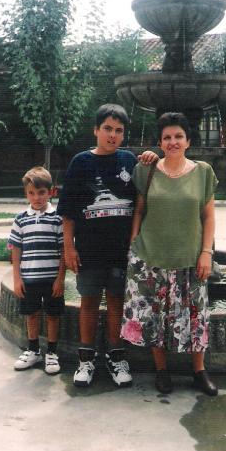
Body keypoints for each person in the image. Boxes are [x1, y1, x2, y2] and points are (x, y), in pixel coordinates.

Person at [57, 104, 158, 388]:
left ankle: (116, 357)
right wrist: (68, 248)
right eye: (107, 129)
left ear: (124, 134)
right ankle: (86, 359)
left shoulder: (128, 160)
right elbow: (68, 212)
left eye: (118, 130)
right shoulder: (81, 162)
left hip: (120, 251)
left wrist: (151, 159)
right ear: (96, 130)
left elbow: (146, 191)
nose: (112, 135)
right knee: (89, 302)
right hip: (89, 250)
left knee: (116, 302)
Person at [120, 112, 218, 396]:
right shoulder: (146, 170)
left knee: (196, 315)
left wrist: (206, 252)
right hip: (151, 256)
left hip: (190, 258)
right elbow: (139, 210)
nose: (172, 142)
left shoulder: (203, 172)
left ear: (188, 141)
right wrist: (134, 243)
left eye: (178, 136)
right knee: (155, 316)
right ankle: (161, 371)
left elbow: (208, 216)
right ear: (160, 142)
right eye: (167, 137)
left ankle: (199, 371)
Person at [9, 166, 65, 375]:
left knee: (52, 315)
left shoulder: (57, 218)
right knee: (31, 314)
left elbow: (63, 250)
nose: (36, 197)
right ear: (26, 194)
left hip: (51, 279)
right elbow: (16, 249)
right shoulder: (21, 219)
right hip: (29, 278)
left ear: (51, 192)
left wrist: (60, 279)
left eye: (41, 192)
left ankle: (52, 352)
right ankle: (33, 350)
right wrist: (17, 279)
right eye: (31, 193)